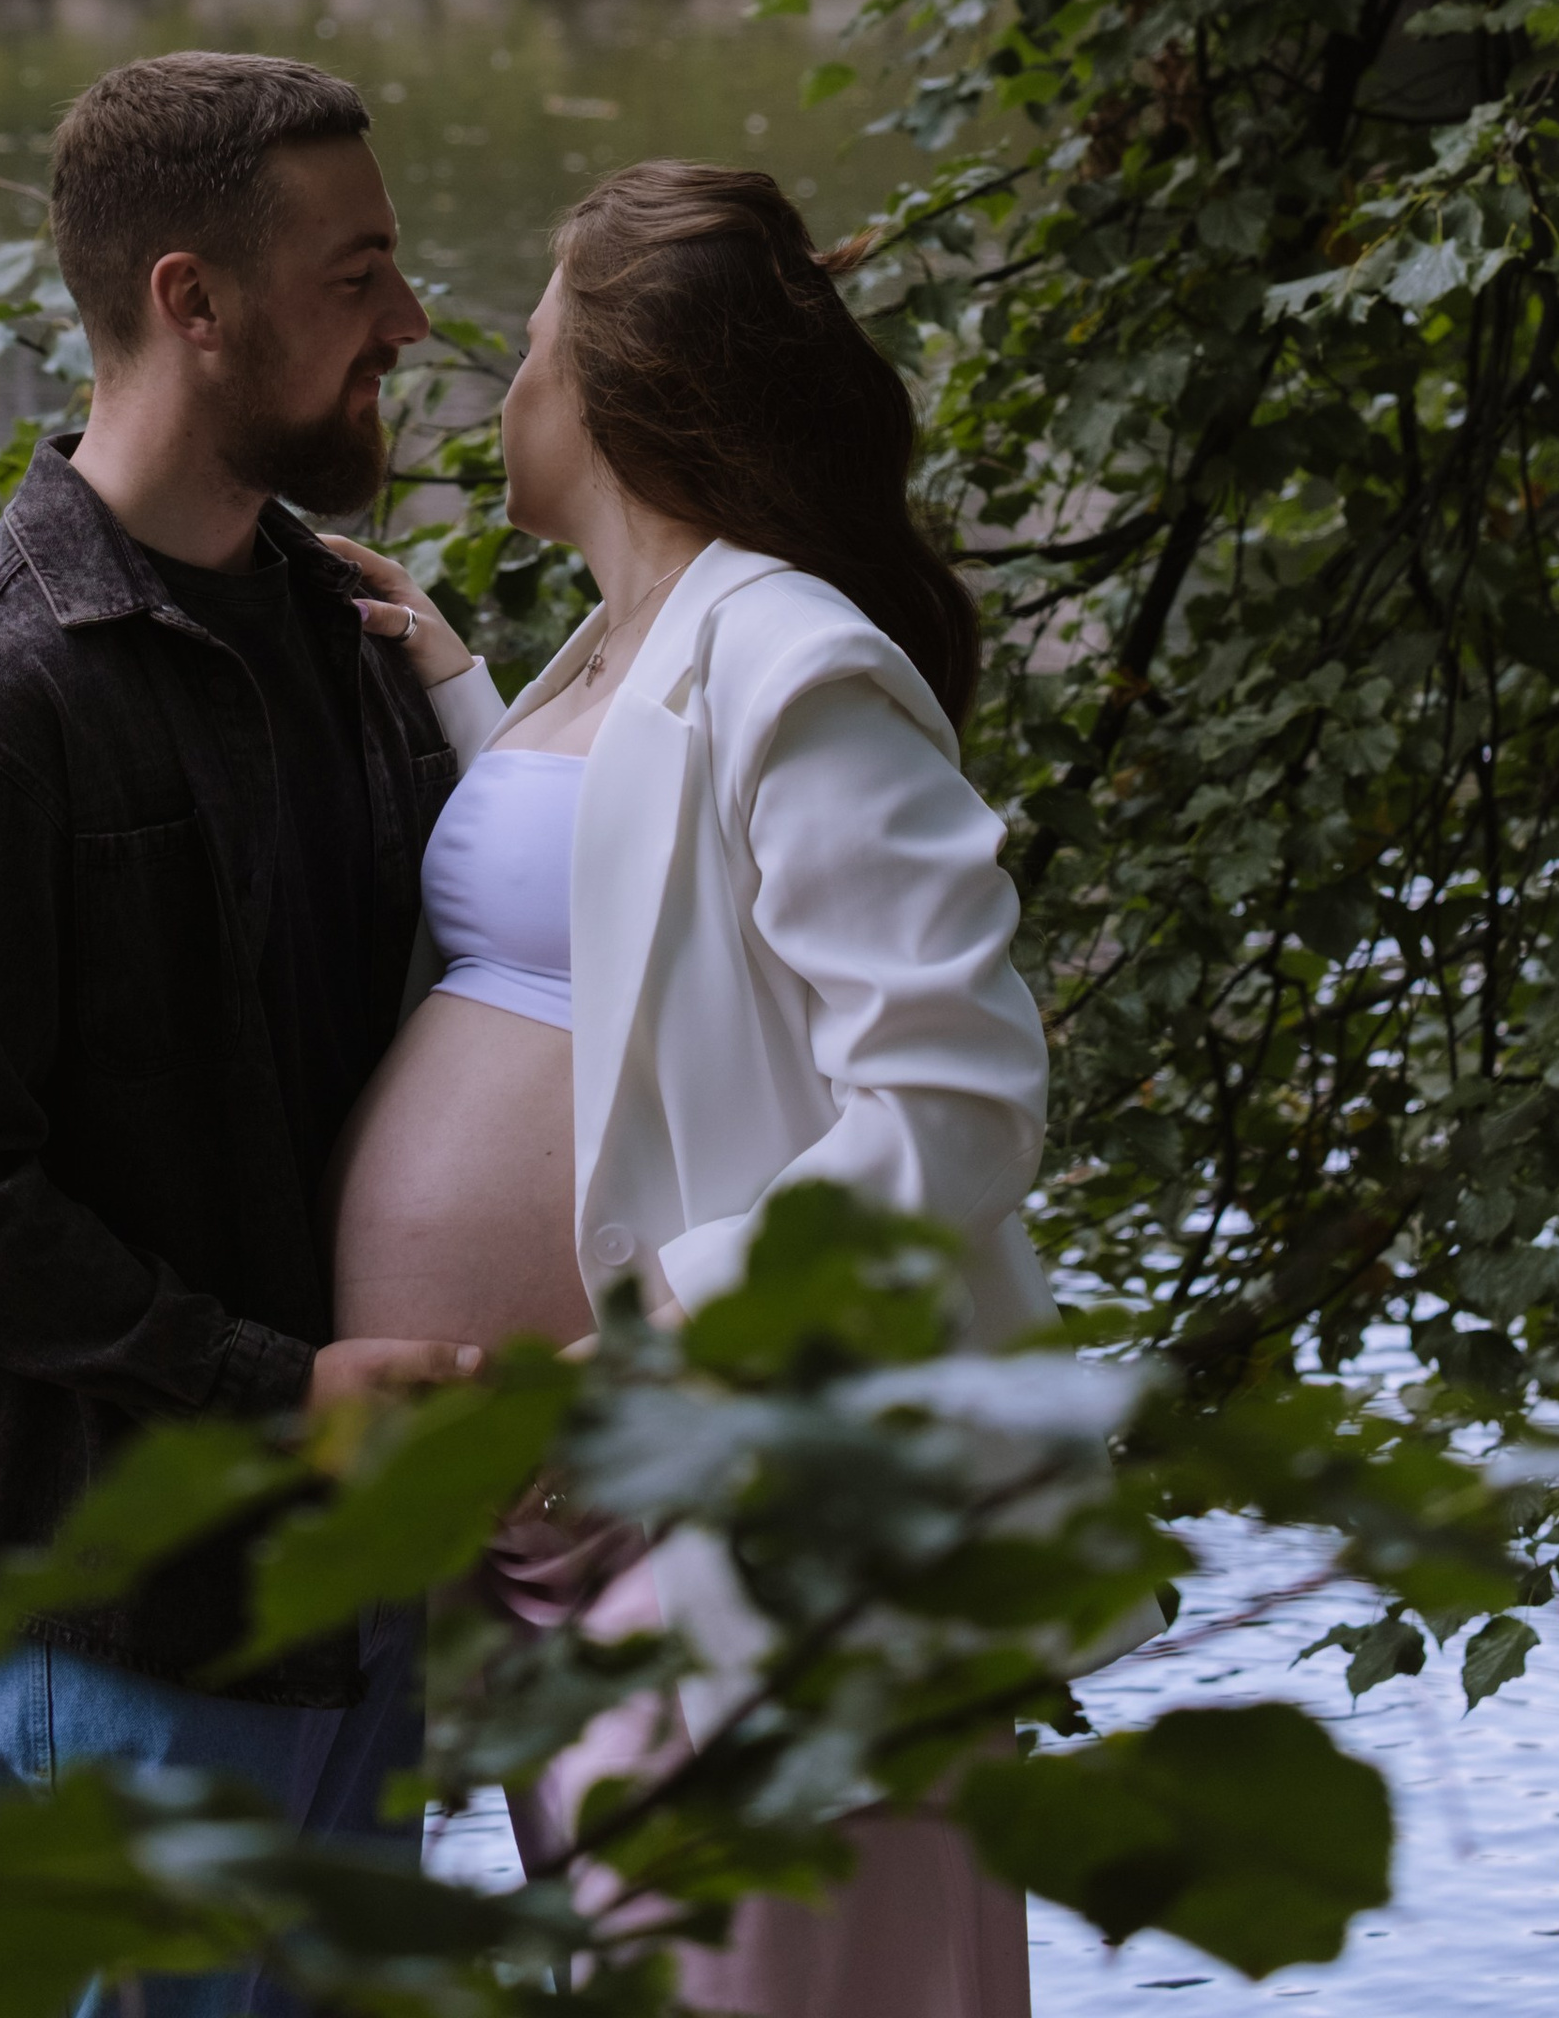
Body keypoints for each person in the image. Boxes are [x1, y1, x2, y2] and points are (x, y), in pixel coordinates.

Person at [0, 52, 498, 2018]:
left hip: (352, 1598)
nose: (410, 323)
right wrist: (282, 1386)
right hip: (115, 1636)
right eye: (358, 273)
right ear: (193, 300)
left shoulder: (329, 627)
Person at [324, 161, 1051, 2018]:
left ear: (619, 379)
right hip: (558, 1524)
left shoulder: (798, 656)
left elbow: (956, 1096)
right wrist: (456, 690)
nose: (500, 381)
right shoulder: (618, 643)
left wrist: (646, 1343)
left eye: (537, 334)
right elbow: (629, 911)